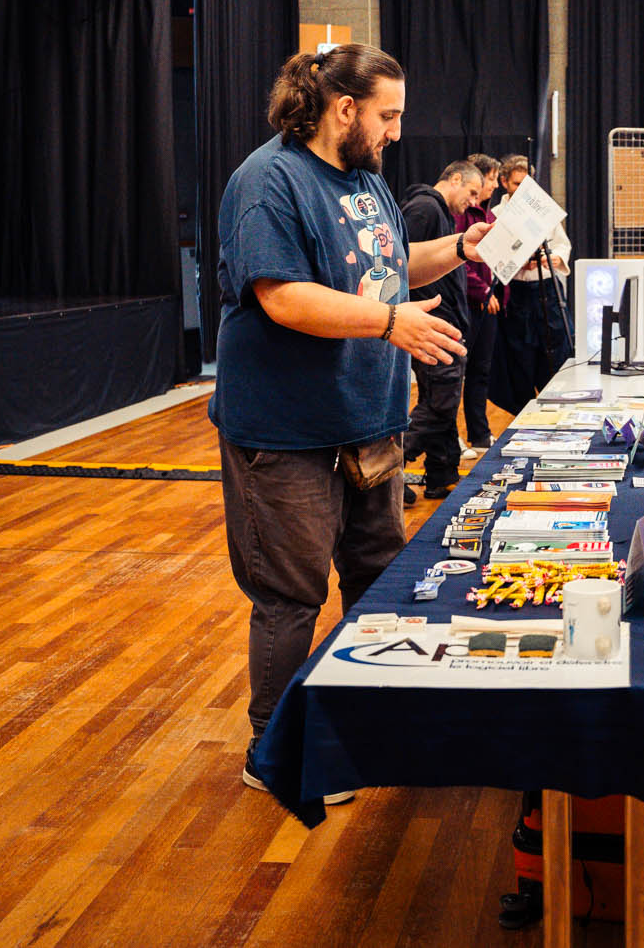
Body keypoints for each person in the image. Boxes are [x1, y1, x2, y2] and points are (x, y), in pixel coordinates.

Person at [210, 43, 491, 794]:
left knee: (377, 575)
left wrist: (459, 248)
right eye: (387, 115)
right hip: (286, 430)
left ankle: (370, 721)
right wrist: (391, 322)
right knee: (291, 595)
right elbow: (282, 297)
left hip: (367, 421)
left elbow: (390, 266)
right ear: (343, 110)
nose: (397, 131)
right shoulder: (268, 182)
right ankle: (273, 751)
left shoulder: (366, 179)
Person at [401, 159, 485, 499]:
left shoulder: (437, 212)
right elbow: (400, 265)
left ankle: (441, 474)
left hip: (442, 323)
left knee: (441, 402)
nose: (474, 202)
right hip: (434, 325)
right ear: (454, 179)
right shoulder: (424, 209)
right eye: (472, 192)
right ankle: (388, 471)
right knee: (439, 405)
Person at [489, 154, 573, 413]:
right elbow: (491, 256)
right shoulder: (496, 215)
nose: (522, 189)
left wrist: (555, 258)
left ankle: (557, 408)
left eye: (527, 184)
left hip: (548, 290)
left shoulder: (543, 210)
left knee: (555, 352)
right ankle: (524, 413)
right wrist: (516, 262)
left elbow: (562, 244)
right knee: (520, 356)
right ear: (504, 182)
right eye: (517, 184)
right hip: (516, 294)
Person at [458, 153, 502, 449]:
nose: (495, 185)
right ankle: (449, 439)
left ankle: (480, 434)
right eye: (492, 179)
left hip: (489, 305)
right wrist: (483, 291)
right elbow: (458, 261)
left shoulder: (490, 216)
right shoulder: (461, 214)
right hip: (467, 305)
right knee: (454, 376)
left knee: (480, 372)